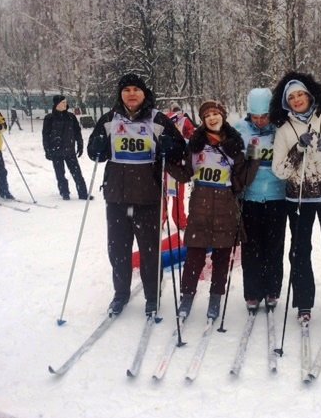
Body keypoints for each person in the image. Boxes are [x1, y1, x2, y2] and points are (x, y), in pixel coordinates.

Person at [87, 74, 185, 317]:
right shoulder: (110, 119)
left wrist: (168, 147)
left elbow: (179, 149)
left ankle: (152, 296)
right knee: (118, 250)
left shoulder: (157, 119)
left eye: (136, 90)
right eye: (127, 89)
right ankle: (120, 293)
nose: (131, 94)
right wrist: (99, 145)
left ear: (144, 94)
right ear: (121, 94)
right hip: (116, 198)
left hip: (147, 198)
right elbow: (93, 153)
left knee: (149, 250)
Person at [269, 71, 321, 322]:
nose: (296, 100)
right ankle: (303, 302)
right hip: (300, 199)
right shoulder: (284, 130)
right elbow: (280, 170)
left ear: (310, 95)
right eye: (291, 97)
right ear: (286, 102)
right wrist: (298, 150)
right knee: (299, 250)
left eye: (300, 94)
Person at [168, 100, 247, 320]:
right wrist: (168, 161)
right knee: (195, 255)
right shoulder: (195, 144)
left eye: (215, 113)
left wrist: (255, 159)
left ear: (222, 115)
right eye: (207, 115)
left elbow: (241, 181)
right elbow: (185, 174)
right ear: (203, 120)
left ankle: (215, 297)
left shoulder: (234, 143)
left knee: (222, 256)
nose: (212, 118)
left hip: (225, 206)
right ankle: (187, 296)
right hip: (200, 205)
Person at [234, 88, 287, 313]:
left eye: (264, 116)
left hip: (277, 196)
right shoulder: (240, 130)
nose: (260, 121)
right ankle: (253, 292)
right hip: (251, 197)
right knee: (251, 247)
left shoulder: (281, 130)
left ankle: (272, 290)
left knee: (274, 247)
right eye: (255, 117)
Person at [42, 95, 91, 200]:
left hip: (70, 150)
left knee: (77, 173)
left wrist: (80, 144)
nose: (65, 104)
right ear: (57, 104)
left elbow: (77, 131)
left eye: (65, 102)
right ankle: (65, 193)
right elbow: (45, 135)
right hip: (56, 151)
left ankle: (83, 194)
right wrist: (47, 150)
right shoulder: (49, 118)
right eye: (63, 102)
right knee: (60, 174)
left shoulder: (71, 116)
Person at [162, 101, 195, 230]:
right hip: (174, 163)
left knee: (166, 196)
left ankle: (164, 221)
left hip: (171, 163)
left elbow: (192, 136)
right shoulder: (181, 120)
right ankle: (179, 221)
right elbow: (192, 137)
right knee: (174, 196)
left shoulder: (177, 120)